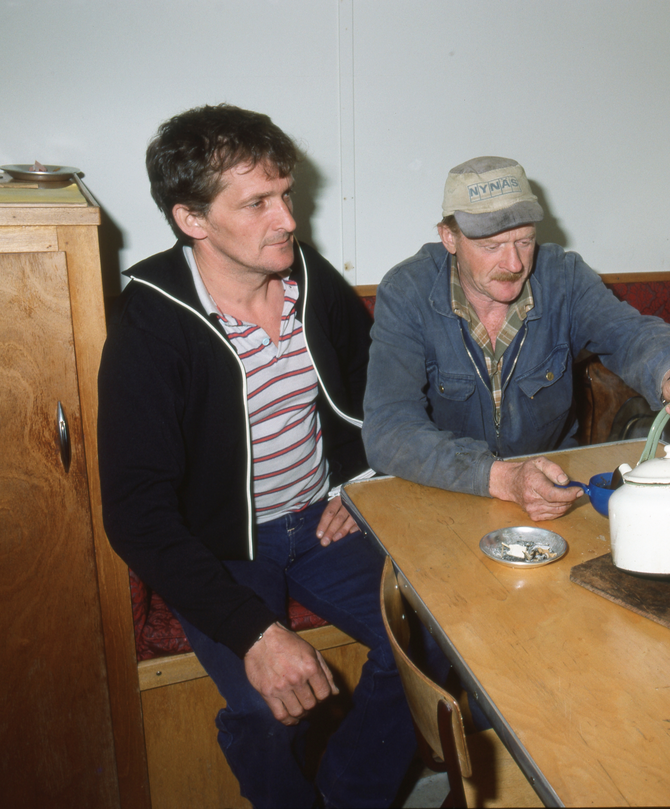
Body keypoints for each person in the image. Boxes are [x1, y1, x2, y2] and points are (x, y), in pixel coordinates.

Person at [98, 104, 428, 808]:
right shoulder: (153, 320)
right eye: (257, 203)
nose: (288, 220)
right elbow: (135, 514)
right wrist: (254, 632)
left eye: (286, 194)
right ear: (193, 219)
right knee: (261, 709)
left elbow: (378, 385)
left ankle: (349, 796)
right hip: (219, 548)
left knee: (428, 642)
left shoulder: (308, 278)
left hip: (320, 521)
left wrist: (359, 482)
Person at [363, 156, 670, 520]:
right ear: (449, 238)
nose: (515, 263)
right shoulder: (408, 291)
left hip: (548, 490)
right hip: (446, 491)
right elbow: (388, 429)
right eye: (492, 247)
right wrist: (501, 477)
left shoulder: (563, 279)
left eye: (524, 241)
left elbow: (632, 334)